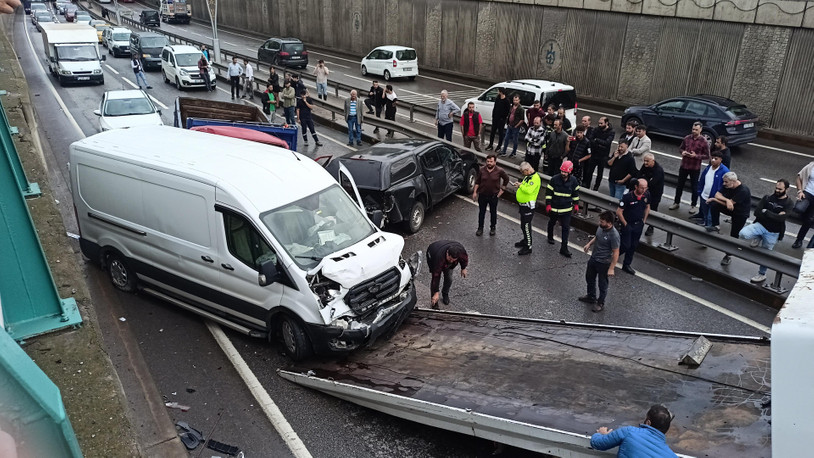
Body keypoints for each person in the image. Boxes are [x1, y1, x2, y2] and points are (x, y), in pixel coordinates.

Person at [739, 179, 792, 283]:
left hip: (773, 232)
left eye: (780, 189)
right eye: (776, 188)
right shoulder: (767, 198)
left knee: (766, 254)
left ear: (787, 189)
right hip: (760, 225)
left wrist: (766, 212)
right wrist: (775, 215)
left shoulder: (789, 203)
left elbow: (781, 219)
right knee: (743, 234)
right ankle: (758, 236)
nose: (777, 190)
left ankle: (761, 274)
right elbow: (757, 212)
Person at [590, 405, 678, 457]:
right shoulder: (672, 456)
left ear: (648, 422)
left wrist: (601, 434)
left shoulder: (630, 432)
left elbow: (597, 443)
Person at [579, 210, 620, 312]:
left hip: (604, 262)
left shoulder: (614, 235)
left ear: (609, 223)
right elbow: (597, 237)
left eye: (602, 222)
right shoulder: (601, 228)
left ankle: (600, 302)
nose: (599, 223)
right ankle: (591, 296)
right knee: (589, 278)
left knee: (602, 284)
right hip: (594, 258)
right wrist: (589, 244)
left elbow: (616, 253)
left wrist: (611, 268)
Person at [708, 172, 751, 266]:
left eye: (726, 182)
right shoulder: (727, 185)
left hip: (740, 213)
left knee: (734, 235)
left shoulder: (743, 190)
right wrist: (727, 200)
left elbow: (730, 206)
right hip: (731, 207)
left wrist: (717, 200)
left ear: (733, 181)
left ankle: (728, 256)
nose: (724, 184)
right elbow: (717, 195)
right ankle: (716, 226)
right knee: (714, 205)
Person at [670, 122, 710, 213]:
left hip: (694, 168)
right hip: (684, 165)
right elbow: (681, 148)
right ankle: (676, 202)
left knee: (694, 187)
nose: (694, 131)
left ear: (701, 130)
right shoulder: (687, 138)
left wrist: (696, 156)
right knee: (679, 185)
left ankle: (693, 205)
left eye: (696, 129)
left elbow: (707, 156)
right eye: (693, 129)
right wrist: (683, 152)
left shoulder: (704, 141)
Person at [546, 160, 580, 258]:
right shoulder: (554, 179)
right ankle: (550, 236)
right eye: (562, 171)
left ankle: (564, 248)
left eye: (565, 172)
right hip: (555, 207)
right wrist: (548, 204)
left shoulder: (573, 181)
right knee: (552, 222)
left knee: (566, 228)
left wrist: (576, 204)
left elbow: (575, 194)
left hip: (566, 209)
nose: (563, 173)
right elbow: (548, 193)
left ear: (570, 172)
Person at [617, 179, 650, 275]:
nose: (644, 190)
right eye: (642, 188)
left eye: (645, 188)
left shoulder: (646, 195)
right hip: (628, 224)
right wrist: (625, 224)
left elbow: (648, 207)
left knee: (633, 246)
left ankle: (626, 264)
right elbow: (619, 212)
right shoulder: (628, 197)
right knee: (625, 245)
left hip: (638, 224)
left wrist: (644, 220)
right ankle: (613, 255)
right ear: (636, 187)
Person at [473, 154, 510, 237]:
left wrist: (502, 190)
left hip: (493, 196)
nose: (489, 163)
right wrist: (475, 192)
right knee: (481, 212)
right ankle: (480, 228)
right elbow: (477, 182)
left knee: (493, 212)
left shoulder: (499, 171)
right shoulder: (482, 170)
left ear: (495, 162)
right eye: (488, 161)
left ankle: (493, 227)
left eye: (491, 161)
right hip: (482, 195)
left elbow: (506, 179)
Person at [692, 151, 729, 230]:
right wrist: (700, 191)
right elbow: (702, 179)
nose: (713, 160)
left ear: (721, 160)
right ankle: (706, 224)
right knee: (705, 214)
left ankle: (710, 229)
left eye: (716, 159)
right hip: (704, 196)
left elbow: (726, 186)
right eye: (712, 158)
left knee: (710, 216)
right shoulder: (708, 168)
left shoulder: (724, 171)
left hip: (714, 199)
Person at [426, 240, 469, 309]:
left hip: (444, 256)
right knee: (435, 278)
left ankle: (445, 294)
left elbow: (464, 258)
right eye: (450, 259)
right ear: (447, 253)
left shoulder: (461, 252)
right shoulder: (439, 257)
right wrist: (436, 292)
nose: (451, 261)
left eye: (453, 260)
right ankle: (434, 302)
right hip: (433, 253)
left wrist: (463, 268)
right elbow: (436, 276)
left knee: (449, 278)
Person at [512, 162, 541, 255]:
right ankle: (525, 241)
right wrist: (520, 184)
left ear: (527, 170)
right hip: (523, 206)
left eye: (523, 172)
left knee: (526, 227)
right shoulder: (528, 176)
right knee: (523, 225)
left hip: (528, 206)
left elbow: (529, 190)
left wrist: (520, 186)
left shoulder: (535, 178)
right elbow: (526, 186)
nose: (522, 174)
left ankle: (528, 246)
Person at [584, 116, 614, 190]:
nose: (599, 125)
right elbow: (591, 139)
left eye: (601, 123)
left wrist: (597, 140)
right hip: (594, 154)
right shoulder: (596, 129)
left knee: (600, 173)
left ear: (606, 123)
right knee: (589, 171)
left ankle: (596, 187)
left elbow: (607, 143)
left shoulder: (611, 132)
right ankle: (587, 186)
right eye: (599, 123)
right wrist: (599, 144)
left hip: (603, 155)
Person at [638, 153, 664, 236]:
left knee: (653, 209)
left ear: (653, 161)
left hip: (655, 193)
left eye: (647, 161)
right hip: (645, 192)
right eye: (644, 161)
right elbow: (639, 176)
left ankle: (651, 226)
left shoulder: (658, 170)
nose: (645, 163)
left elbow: (652, 183)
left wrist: (644, 179)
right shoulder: (645, 166)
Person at [792, 160, 814, 249]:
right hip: (807, 193)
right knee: (799, 208)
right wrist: (800, 191)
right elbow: (799, 177)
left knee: (809, 219)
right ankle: (805, 212)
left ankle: (799, 240)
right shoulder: (811, 166)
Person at [486, 87, 510, 151]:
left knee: (500, 133)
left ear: (501, 92)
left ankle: (499, 146)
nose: (497, 92)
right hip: (495, 118)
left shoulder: (506, 101)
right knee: (492, 132)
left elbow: (507, 111)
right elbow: (495, 107)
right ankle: (490, 144)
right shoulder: (498, 98)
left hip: (501, 119)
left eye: (498, 91)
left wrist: (503, 118)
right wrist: (493, 115)